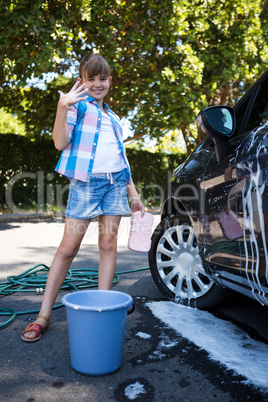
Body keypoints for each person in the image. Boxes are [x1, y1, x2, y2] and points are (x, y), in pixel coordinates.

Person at [21, 54, 144, 342]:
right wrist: (62, 107)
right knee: (68, 249)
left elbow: (120, 158)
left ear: (110, 81)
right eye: (92, 79)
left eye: (103, 79)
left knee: (108, 244)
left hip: (115, 184)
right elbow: (60, 142)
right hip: (86, 185)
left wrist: (134, 195)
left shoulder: (114, 118)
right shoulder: (77, 107)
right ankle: (43, 317)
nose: (98, 84)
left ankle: (104, 306)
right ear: (82, 82)